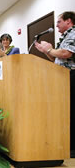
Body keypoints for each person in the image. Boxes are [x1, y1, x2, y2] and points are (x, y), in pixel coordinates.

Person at [35, 11, 75, 158]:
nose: (56, 25)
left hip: (72, 76)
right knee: (65, 111)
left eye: (59, 21)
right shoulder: (65, 36)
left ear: (68, 21)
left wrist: (50, 49)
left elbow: (66, 54)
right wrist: (46, 52)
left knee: (71, 111)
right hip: (62, 77)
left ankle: (72, 147)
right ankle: (67, 143)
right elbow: (56, 60)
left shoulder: (73, 33)